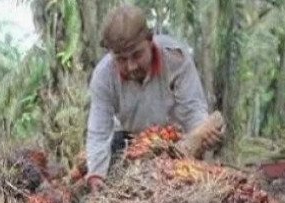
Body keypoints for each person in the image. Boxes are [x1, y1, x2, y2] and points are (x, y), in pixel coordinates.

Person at [84, 4, 221, 189]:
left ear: (150, 40)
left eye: (137, 55)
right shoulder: (103, 76)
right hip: (131, 146)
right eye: (121, 59)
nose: (131, 66)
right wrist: (96, 174)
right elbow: (99, 132)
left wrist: (203, 137)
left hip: (175, 142)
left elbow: (193, 110)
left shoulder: (175, 58)